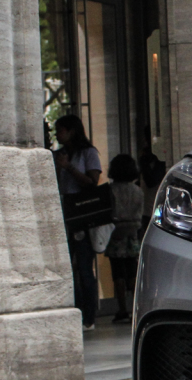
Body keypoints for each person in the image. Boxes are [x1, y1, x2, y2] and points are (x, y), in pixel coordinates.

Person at [53, 115, 102, 330]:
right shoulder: (60, 154)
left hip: (82, 214)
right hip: (64, 213)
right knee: (68, 268)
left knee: (83, 266)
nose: (58, 135)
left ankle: (88, 316)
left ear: (72, 131)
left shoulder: (88, 153)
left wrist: (69, 168)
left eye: (61, 130)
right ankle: (75, 310)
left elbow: (92, 183)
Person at [106, 154, 144, 324]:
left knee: (118, 273)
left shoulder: (110, 190)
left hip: (115, 233)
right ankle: (136, 307)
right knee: (132, 271)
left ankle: (122, 309)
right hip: (132, 233)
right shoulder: (137, 190)